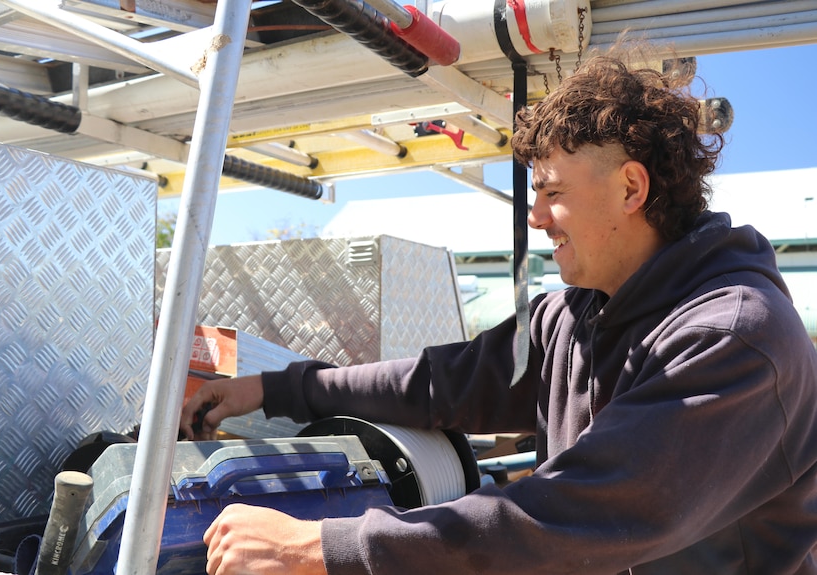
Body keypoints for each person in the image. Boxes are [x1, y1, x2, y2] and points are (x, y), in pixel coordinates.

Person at [180, 46, 817, 574]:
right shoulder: (570, 316)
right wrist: (271, 389)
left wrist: (319, 547)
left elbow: (575, 514)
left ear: (631, 187)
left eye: (553, 193)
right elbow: (434, 383)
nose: (535, 218)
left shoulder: (735, 339)